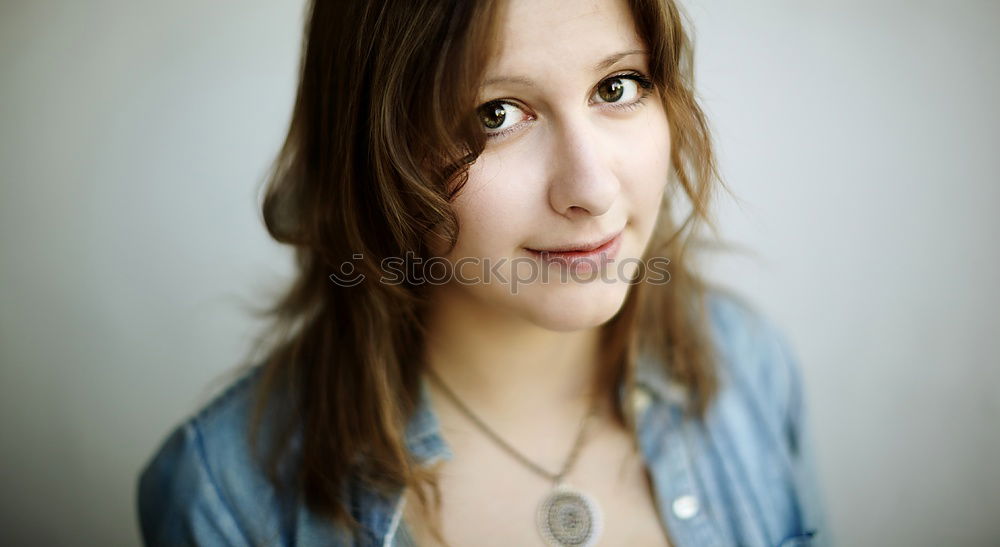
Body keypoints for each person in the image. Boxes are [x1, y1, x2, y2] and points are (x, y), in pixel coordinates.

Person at [136, 0, 830, 545]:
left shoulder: (748, 366)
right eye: (496, 114)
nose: (590, 187)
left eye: (617, 85)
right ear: (378, 147)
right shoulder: (226, 493)